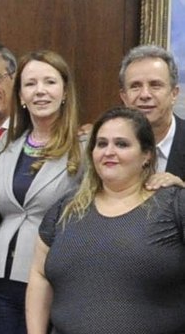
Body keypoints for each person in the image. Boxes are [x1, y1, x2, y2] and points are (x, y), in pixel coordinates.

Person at [26, 107, 185, 334]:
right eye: (101, 144)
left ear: (147, 154)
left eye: (121, 144)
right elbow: (39, 275)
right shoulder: (65, 208)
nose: (109, 151)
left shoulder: (175, 204)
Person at [0, 50, 83, 334]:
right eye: (30, 84)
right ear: (21, 96)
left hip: (56, 280)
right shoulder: (4, 151)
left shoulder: (86, 149)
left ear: (64, 92)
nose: (40, 91)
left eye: (49, 82)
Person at [119, 44, 185, 179]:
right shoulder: (108, 145)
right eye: (135, 86)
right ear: (124, 97)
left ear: (174, 94)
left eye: (155, 85)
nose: (145, 95)